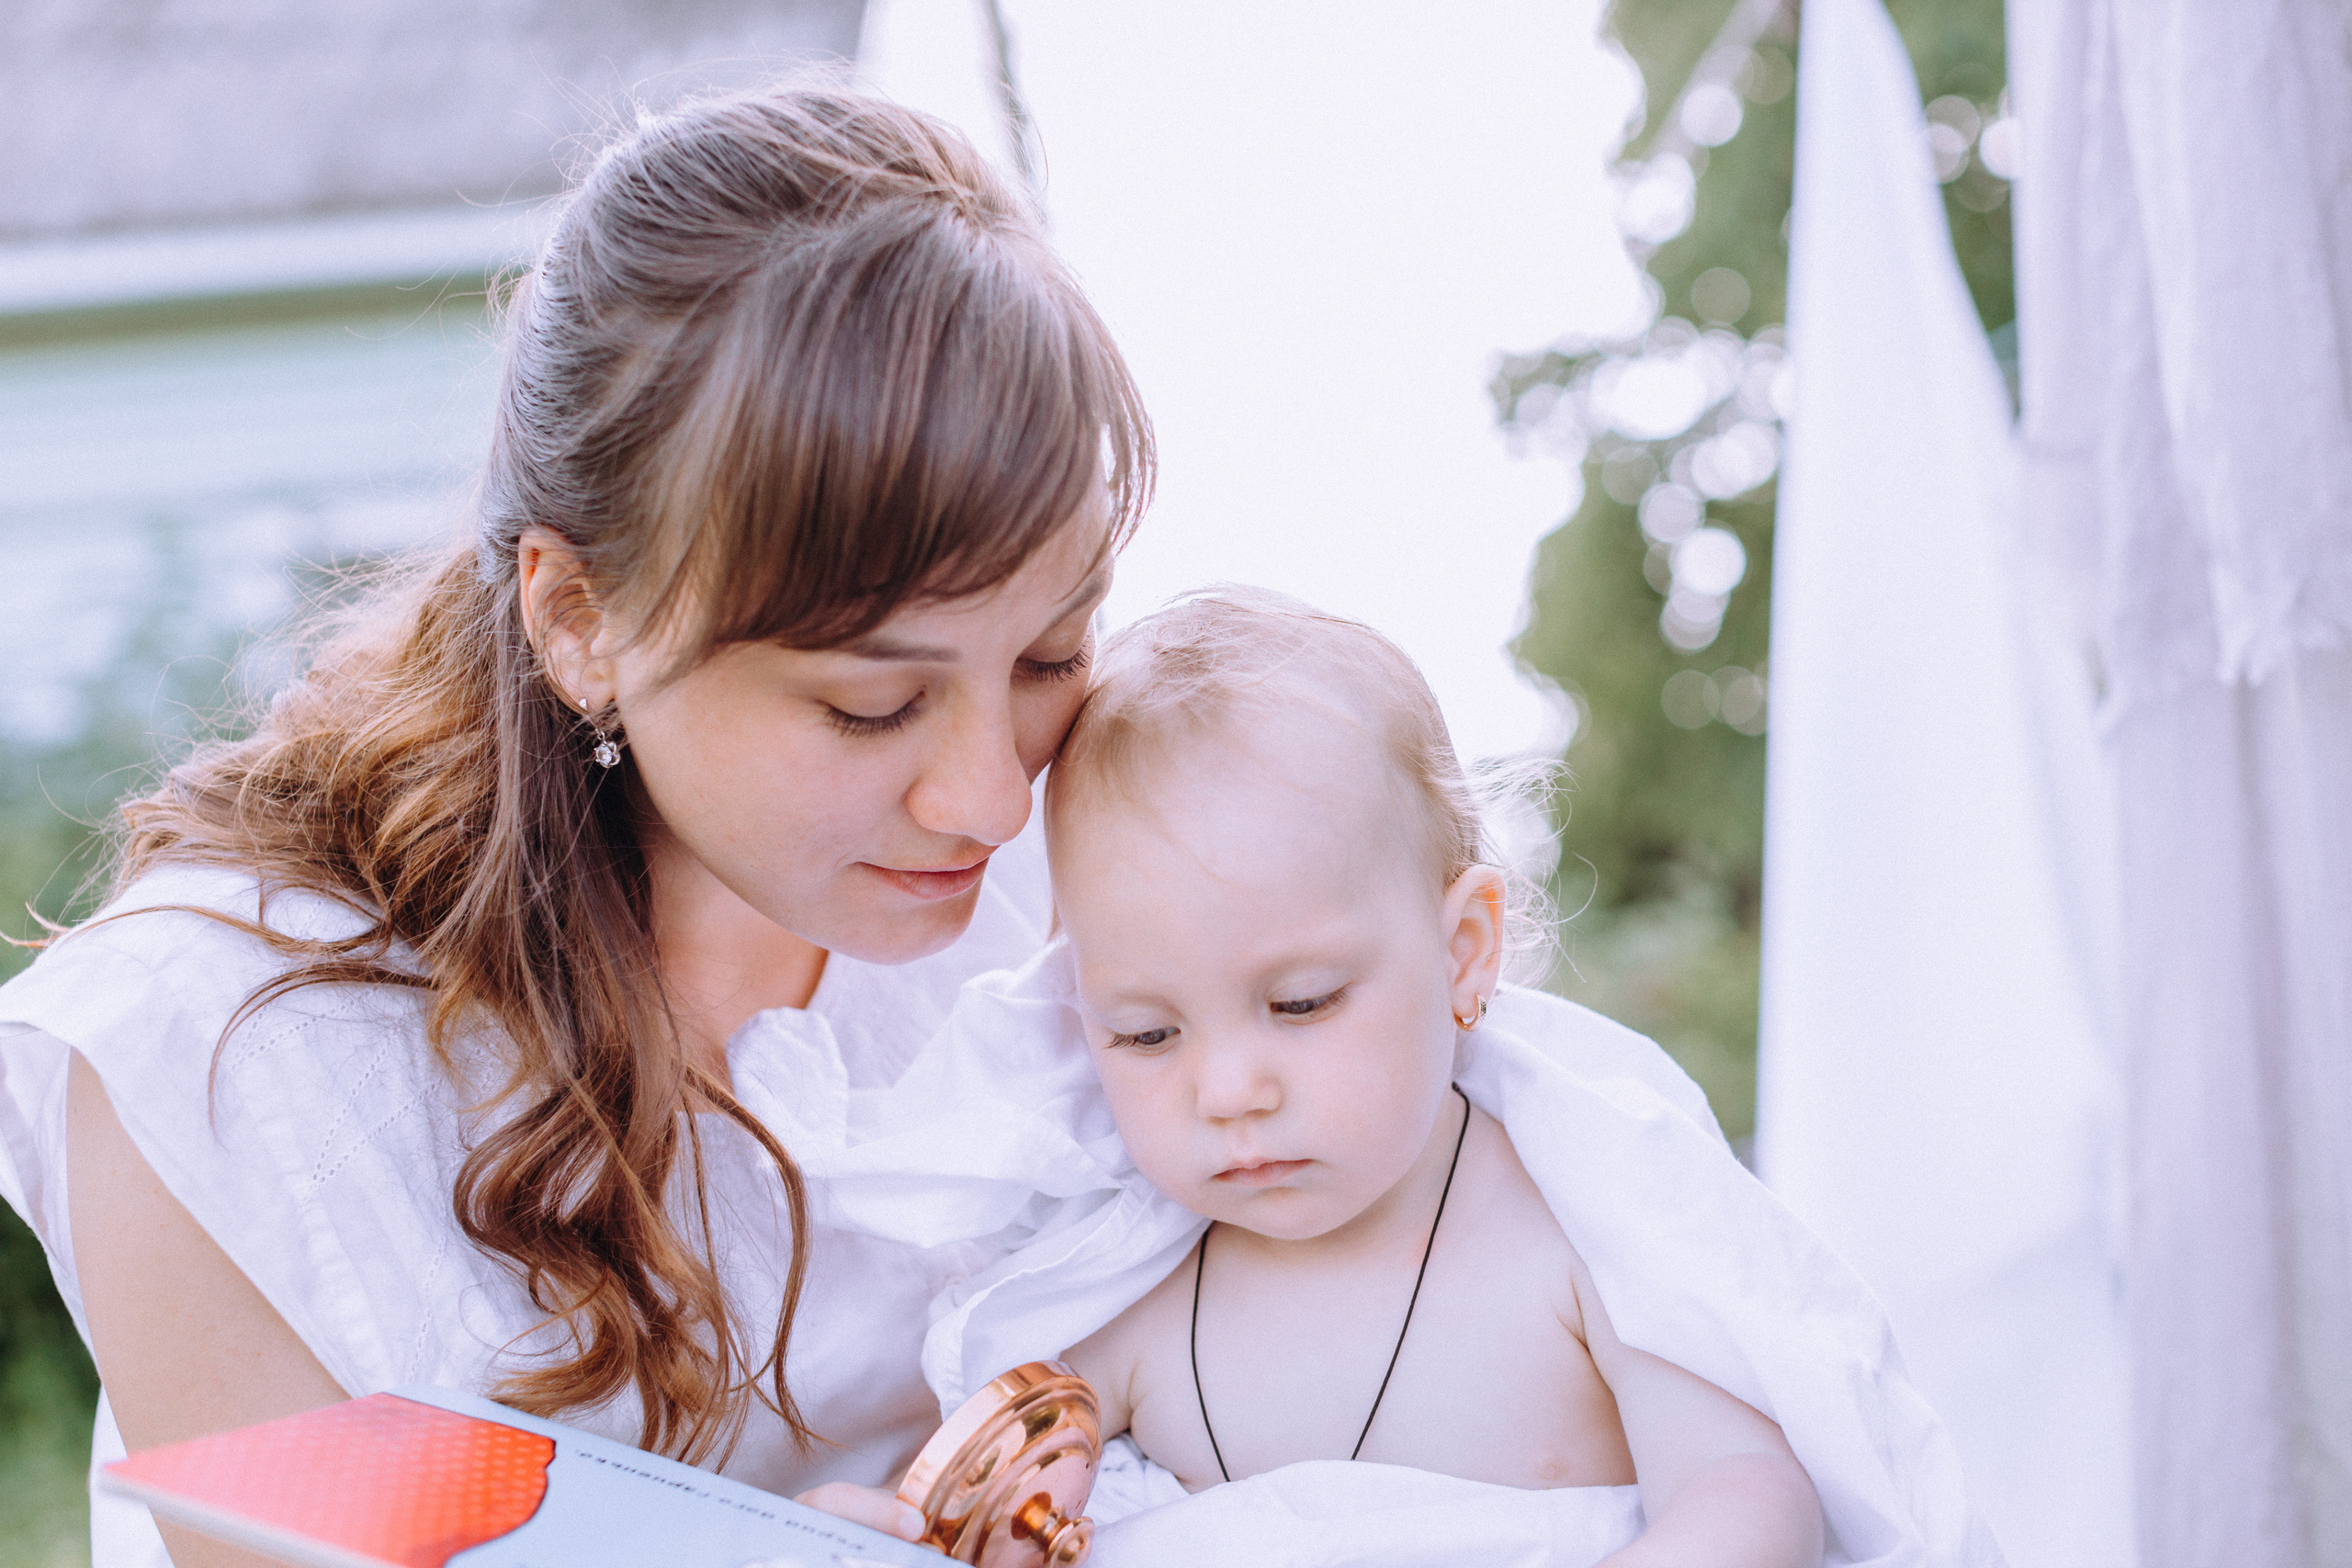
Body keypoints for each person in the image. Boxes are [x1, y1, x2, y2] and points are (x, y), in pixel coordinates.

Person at [0, 83, 1150, 1568]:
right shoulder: (223, 1056)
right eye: (871, 708)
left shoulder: (1090, 898)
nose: (996, 796)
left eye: (1052, 660)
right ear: (580, 620)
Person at [758, 587, 1997, 1565]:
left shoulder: (1571, 1238)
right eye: (1144, 1033)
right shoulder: (1124, 1309)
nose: (1228, 1088)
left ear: (1463, 953)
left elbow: (1749, 1496)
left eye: (1299, 1004)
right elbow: (989, 1506)